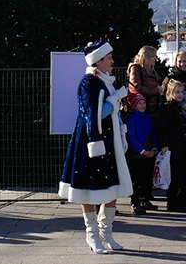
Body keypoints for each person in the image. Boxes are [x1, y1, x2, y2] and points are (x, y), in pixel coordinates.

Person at [59, 40, 131, 254]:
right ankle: (92, 235)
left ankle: (106, 233)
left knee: (112, 187)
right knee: (88, 189)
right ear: (97, 61)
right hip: (92, 142)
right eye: (108, 58)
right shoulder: (88, 82)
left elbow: (112, 113)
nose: (112, 61)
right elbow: (93, 114)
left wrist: (121, 130)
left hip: (110, 141)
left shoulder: (106, 81)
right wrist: (116, 98)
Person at [157, 79, 186, 212]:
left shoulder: (178, 107)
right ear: (170, 92)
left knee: (181, 175)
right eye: (177, 92)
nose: (180, 94)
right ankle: (173, 202)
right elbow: (162, 127)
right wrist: (164, 144)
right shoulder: (167, 107)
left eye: (181, 92)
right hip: (172, 147)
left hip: (180, 146)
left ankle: (180, 201)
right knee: (173, 176)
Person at [124, 93, 157, 215]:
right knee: (137, 180)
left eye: (144, 103)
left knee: (147, 179)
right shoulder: (131, 119)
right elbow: (131, 137)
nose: (142, 106)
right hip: (137, 155)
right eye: (139, 103)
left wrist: (153, 148)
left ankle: (145, 199)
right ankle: (135, 202)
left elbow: (152, 134)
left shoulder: (147, 118)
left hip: (149, 153)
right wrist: (142, 151)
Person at [127, 46, 162, 117]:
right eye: (153, 56)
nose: (155, 59)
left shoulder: (151, 70)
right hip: (142, 108)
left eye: (155, 56)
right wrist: (156, 90)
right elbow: (136, 88)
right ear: (146, 57)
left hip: (154, 107)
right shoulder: (135, 68)